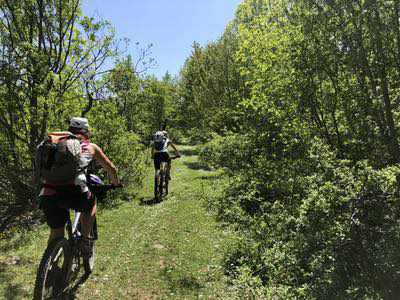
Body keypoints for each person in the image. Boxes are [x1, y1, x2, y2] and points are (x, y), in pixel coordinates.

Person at [37, 117, 121, 256]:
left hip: (48, 192)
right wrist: (116, 183)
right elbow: (111, 168)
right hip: (75, 191)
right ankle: (85, 240)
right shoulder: (90, 147)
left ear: (69, 129)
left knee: (56, 231)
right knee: (91, 203)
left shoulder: (54, 144)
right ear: (86, 132)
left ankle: (49, 265)